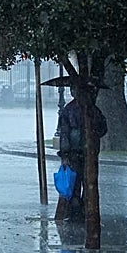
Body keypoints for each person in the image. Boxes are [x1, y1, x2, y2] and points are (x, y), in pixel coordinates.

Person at [55, 85, 107, 220]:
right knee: (87, 182)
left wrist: (65, 154)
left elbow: (64, 134)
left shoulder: (70, 110)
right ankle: (84, 210)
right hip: (86, 151)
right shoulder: (92, 109)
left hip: (77, 152)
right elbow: (103, 129)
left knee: (76, 183)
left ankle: (77, 212)